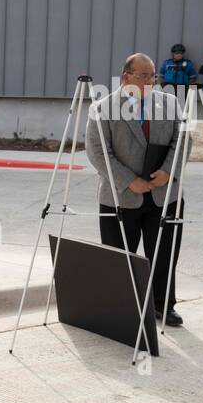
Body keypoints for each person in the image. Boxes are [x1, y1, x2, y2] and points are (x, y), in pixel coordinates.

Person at [84, 53, 186, 328]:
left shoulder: (170, 103)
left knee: (164, 253)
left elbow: (182, 139)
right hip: (120, 195)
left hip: (164, 194)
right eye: (144, 76)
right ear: (126, 76)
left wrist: (168, 171)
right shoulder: (103, 108)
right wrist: (129, 180)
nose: (150, 82)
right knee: (119, 257)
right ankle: (121, 307)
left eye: (153, 76)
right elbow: (96, 152)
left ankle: (163, 305)